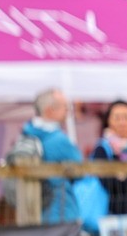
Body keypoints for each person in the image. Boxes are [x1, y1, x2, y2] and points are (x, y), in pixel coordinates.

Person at [21, 87, 82, 224]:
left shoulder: (26, 134)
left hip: (32, 209)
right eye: (64, 107)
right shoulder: (58, 139)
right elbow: (81, 171)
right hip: (60, 209)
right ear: (49, 110)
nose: (67, 111)